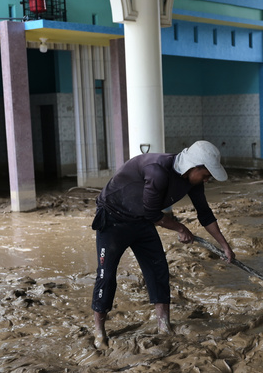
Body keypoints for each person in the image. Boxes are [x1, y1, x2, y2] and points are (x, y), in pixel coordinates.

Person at [90, 140, 235, 348]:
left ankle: (164, 325)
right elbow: (152, 213)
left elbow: (204, 213)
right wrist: (180, 228)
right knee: (106, 275)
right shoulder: (158, 170)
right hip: (113, 219)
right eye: (206, 175)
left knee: (158, 270)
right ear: (195, 166)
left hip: (142, 221)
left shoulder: (192, 181)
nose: (207, 179)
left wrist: (225, 246)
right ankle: (99, 333)